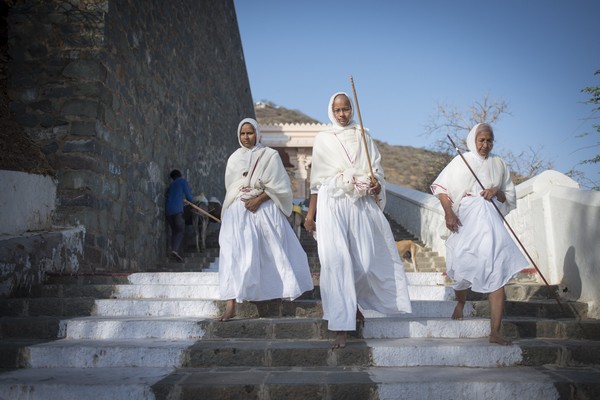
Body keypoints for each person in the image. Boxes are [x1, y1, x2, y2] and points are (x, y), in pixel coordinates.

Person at [304, 92, 412, 349]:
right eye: (338, 110)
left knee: (363, 263)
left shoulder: (364, 135)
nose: (343, 114)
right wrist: (310, 215)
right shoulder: (323, 139)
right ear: (331, 111)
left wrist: (376, 184)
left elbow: (377, 170)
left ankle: (354, 304)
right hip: (332, 202)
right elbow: (317, 182)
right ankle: (341, 326)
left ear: (352, 109)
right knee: (337, 262)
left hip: (360, 200)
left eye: (347, 109)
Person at [431, 122, 528, 345]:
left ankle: (495, 331)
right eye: (481, 140)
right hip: (467, 219)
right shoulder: (460, 161)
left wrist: (496, 191)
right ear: (473, 140)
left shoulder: (499, 164)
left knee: (497, 268)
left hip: (491, 222)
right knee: (462, 264)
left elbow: (508, 198)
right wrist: (448, 214)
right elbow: (442, 189)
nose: (485, 145)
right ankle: (461, 302)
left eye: (489, 140)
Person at [218, 118, 313, 321]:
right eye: (243, 133)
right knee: (232, 254)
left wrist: (259, 199)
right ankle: (230, 303)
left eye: (250, 133)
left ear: (258, 133)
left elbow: (280, 186)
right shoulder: (234, 158)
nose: (246, 137)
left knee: (272, 251)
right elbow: (231, 187)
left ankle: (276, 293)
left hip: (264, 207)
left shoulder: (270, 156)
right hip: (238, 212)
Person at [165, 169, 194, 262]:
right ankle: (174, 250)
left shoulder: (171, 185)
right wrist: (192, 202)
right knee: (180, 230)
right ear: (180, 175)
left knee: (174, 231)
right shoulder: (182, 182)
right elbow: (189, 197)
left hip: (169, 211)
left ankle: (174, 250)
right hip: (178, 211)